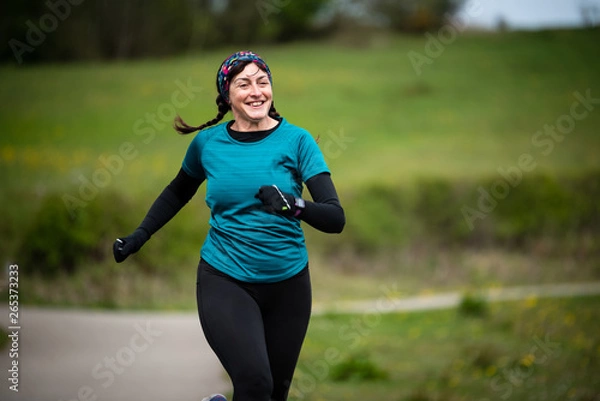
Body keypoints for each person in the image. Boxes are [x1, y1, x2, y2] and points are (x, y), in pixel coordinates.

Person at [113, 50, 345, 401]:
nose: (256, 91)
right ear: (226, 96)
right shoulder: (207, 144)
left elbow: (334, 217)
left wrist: (294, 205)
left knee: (272, 395)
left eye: (263, 82)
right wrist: (140, 235)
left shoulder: (298, 141)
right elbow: (178, 192)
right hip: (226, 279)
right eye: (244, 84)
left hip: (289, 285)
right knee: (255, 384)